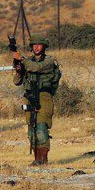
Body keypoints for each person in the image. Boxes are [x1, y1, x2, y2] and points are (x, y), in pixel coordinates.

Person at [13, 36, 62, 165]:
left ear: (44, 47)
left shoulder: (49, 61)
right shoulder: (28, 61)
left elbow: (35, 68)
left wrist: (21, 59)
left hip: (43, 96)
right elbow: (17, 82)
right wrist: (18, 71)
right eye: (34, 45)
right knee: (31, 129)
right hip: (30, 97)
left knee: (41, 128)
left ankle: (43, 159)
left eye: (39, 45)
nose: (36, 47)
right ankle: (37, 159)